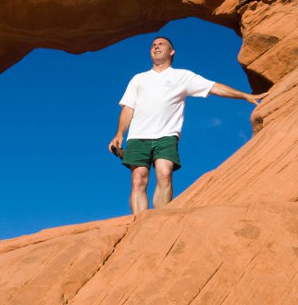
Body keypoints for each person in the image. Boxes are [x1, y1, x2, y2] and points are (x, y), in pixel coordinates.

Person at [108, 36, 267, 214]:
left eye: (161, 44)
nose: (156, 46)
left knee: (165, 174)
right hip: (138, 136)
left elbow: (214, 87)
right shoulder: (138, 79)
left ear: (171, 51)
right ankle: (139, 224)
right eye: (153, 45)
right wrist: (119, 134)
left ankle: (158, 222)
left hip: (166, 135)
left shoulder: (182, 76)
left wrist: (244, 95)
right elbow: (128, 108)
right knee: (138, 179)